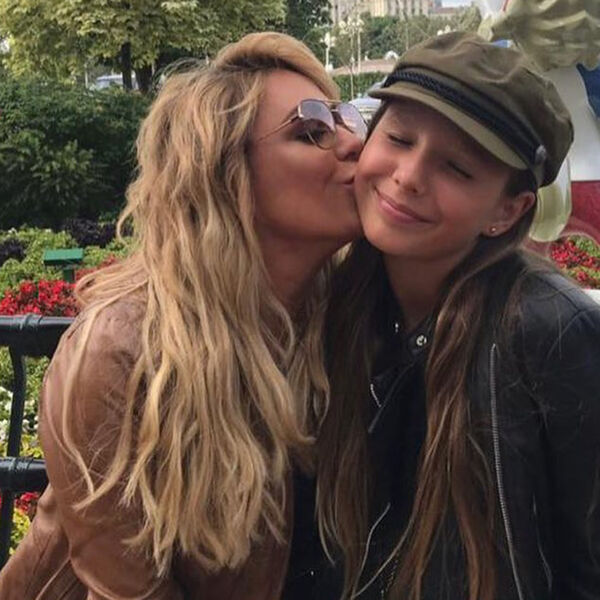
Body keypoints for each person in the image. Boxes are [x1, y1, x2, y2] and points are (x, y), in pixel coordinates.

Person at [0, 32, 366, 599]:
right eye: (311, 129)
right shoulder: (119, 352)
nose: (353, 143)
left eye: (344, 120)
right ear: (224, 177)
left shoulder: (345, 316)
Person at [293, 32, 600, 600]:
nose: (409, 175)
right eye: (399, 138)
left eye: (456, 168)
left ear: (508, 210)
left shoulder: (551, 333)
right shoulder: (335, 306)